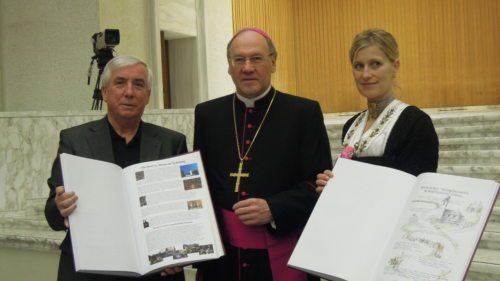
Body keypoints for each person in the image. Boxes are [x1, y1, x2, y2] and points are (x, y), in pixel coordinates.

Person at [193, 28, 332, 281]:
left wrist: (274, 208)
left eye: (256, 58)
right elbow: (198, 184)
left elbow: (319, 184)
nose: (247, 67)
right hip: (223, 261)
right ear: (229, 66)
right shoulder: (207, 114)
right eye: (239, 59)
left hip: (283, 252)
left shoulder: (303, 112)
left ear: (273, 62)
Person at [44, 55, 187, 281]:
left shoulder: (172, 142)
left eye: (138, 84)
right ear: (105, 92)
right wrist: (60, 207)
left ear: (148, 95)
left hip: (154, 270)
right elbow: (52, 214)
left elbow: (183, 210)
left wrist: (178, 254)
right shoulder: (75, 140)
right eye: (120, 83)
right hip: (90, 270)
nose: (129, 92)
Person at [316, 28, 439, 193]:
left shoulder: (415, 123)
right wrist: (330, 185)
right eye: (359, 66)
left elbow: (417, 192)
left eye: (375, 64)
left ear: (395, 67)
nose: (366, 74)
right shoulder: (352, 125)